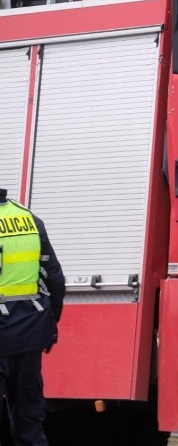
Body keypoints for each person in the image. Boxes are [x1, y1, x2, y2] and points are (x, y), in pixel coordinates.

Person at [0, 188, 64, 446]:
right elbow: (55, 278)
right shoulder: (28, 218)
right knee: (29, 424)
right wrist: (49, 325)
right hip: (30, 334)